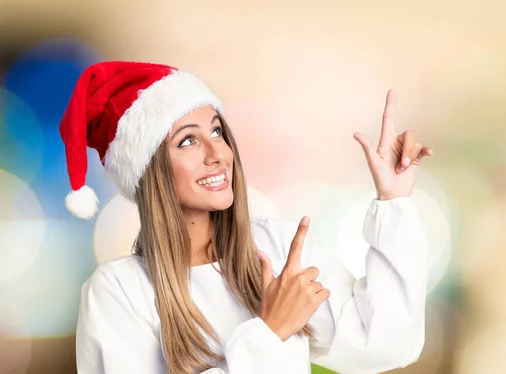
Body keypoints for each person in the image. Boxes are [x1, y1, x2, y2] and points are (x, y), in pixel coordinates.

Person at [59, 61, 433, 374]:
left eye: (217, 131)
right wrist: (270, 334)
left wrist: (393, 200)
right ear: (149, 170)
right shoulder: (118, 292)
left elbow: (386, 343)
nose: (218, 153)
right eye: (188, 140)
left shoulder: (279, 248)